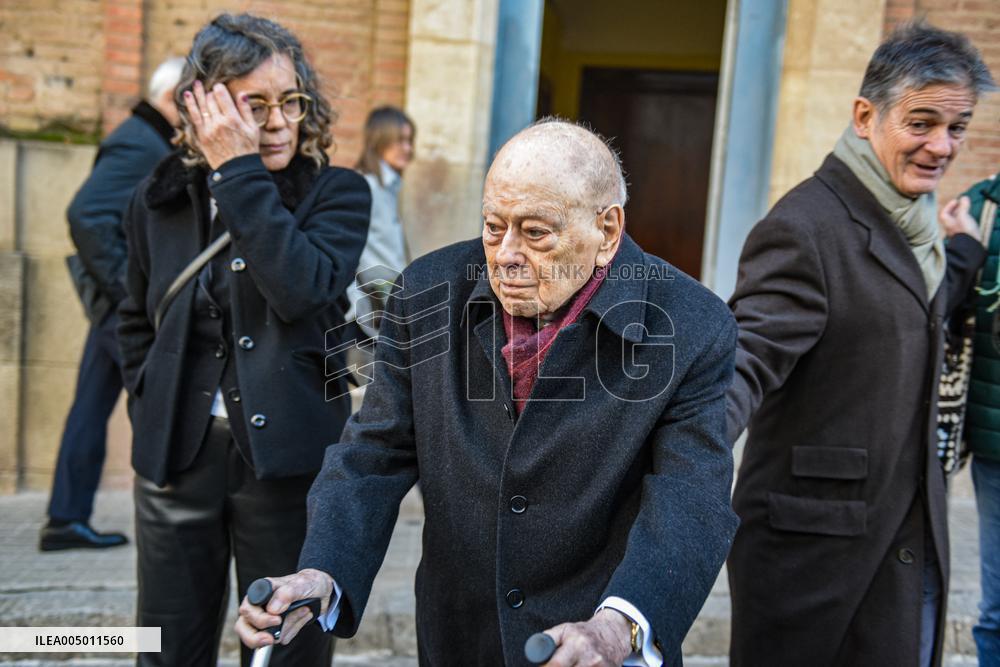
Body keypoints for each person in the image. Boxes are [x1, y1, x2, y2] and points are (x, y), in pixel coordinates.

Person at [236, 119, 740, 666]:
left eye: (536, 232)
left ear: (608, 231)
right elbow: (373, 454)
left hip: (598, 639)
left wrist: (620, 626)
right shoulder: (427, 291)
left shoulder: (693, 325)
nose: (505, 255)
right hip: (459, 636)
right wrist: (324, 570)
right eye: (493, 226)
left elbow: (691, 496)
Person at [725, 22, 994, 667]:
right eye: (921, 122)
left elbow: (910, 310)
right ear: (865, 116)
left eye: (956, 128)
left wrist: (964, 251)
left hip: (909, 537)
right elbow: (744, 360)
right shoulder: (804, 227)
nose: (941, 146)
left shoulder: (917, 225)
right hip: (816, 560)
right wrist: (674, 452)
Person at [116, 14, 370, 667]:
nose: (281, 120)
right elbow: (134, 314)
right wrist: (150, 399)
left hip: (289, 464)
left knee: (287, 653)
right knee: (167, 648)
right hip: (178, 457)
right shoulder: (158, 197)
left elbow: (300, 287)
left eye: (291, 100)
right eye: (256, 105)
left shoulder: (336, 194)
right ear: (204, 105)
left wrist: (238, 169)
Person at [39, 57, 184, 552]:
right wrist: (131, 297)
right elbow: (87, 215)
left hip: (114, 306)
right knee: (162, 398)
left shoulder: (147, 139)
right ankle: (174, 515)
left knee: (91, 407)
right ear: (174, 97)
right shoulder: (138, 141)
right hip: (121, 307)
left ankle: (65, 519)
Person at [944, 171, 1000, 666]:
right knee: (997, 608)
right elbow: (946, 311)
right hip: (995, 444)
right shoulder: (981, 206)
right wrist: (960, 248)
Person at [347, 106, 414, 339]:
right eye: (400, 141)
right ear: (380, 139)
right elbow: (363, 256)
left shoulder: (388, 187)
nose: (408, 149)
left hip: (383, 307)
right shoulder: (367, 187)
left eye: (409, 141)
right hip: (366, 313)